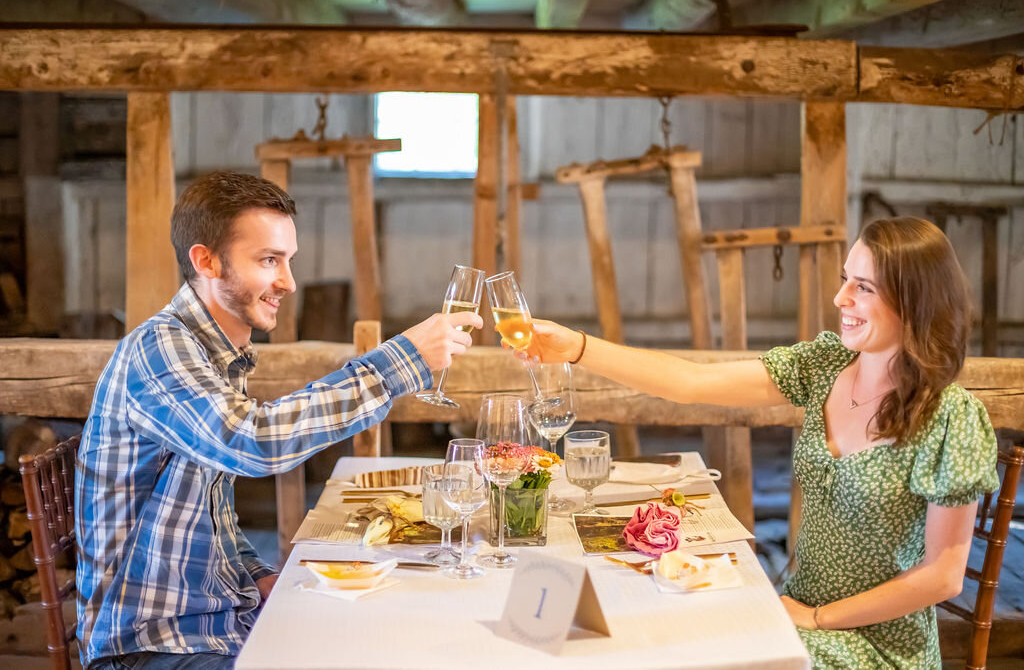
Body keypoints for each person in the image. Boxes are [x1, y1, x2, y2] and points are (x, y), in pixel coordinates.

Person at [515, 216, 998, 668]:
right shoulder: (824, 367)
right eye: (845, 279)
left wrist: (817, 618)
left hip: (876, 644)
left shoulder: (949, 417)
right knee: (667, 625)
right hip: (795, 607)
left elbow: (943, 577)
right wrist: (576, 348)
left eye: (863, 287)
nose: (841, 298)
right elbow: (690, 384)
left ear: (914, 302)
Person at [76, 171, 482, 669]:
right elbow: (253, 443)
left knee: (389, 637)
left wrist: (261, 578)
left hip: (213, 623)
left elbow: (206, 513)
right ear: (205, 260)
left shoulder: (215, 352)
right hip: (150, 647)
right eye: (269, 260)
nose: (287, 282)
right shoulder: (160, 348)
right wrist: (403, 361)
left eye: (288, 260)